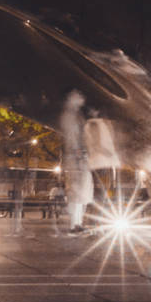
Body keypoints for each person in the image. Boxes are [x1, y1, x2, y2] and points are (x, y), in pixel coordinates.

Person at [59, 90, 93, 233]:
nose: (81, 100)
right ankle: (74, 224)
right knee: (76, 191)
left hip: (78, 157)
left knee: (80, 192)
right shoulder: (70, 116)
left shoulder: (75, 115)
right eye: (78, 97)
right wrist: (78, 152)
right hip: (76, 158)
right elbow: (73, 136)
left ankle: (77, 223)